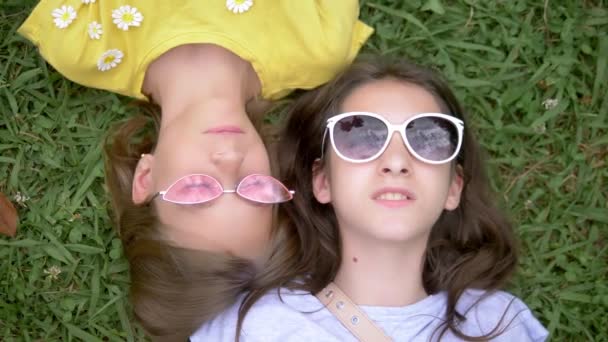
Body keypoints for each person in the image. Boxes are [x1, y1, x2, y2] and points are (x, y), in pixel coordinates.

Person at [18, 1, 373, 339]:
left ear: (145, 177)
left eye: (197, 190)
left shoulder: (80, 43)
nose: (231, 161)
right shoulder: (319, 45)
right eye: (256, 190)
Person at [191, 56, 549, 341]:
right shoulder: (250, 326)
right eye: (360, 136)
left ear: (454, 188)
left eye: (426, 139)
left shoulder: (499, 323)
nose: (396, 162)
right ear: (322, 181)